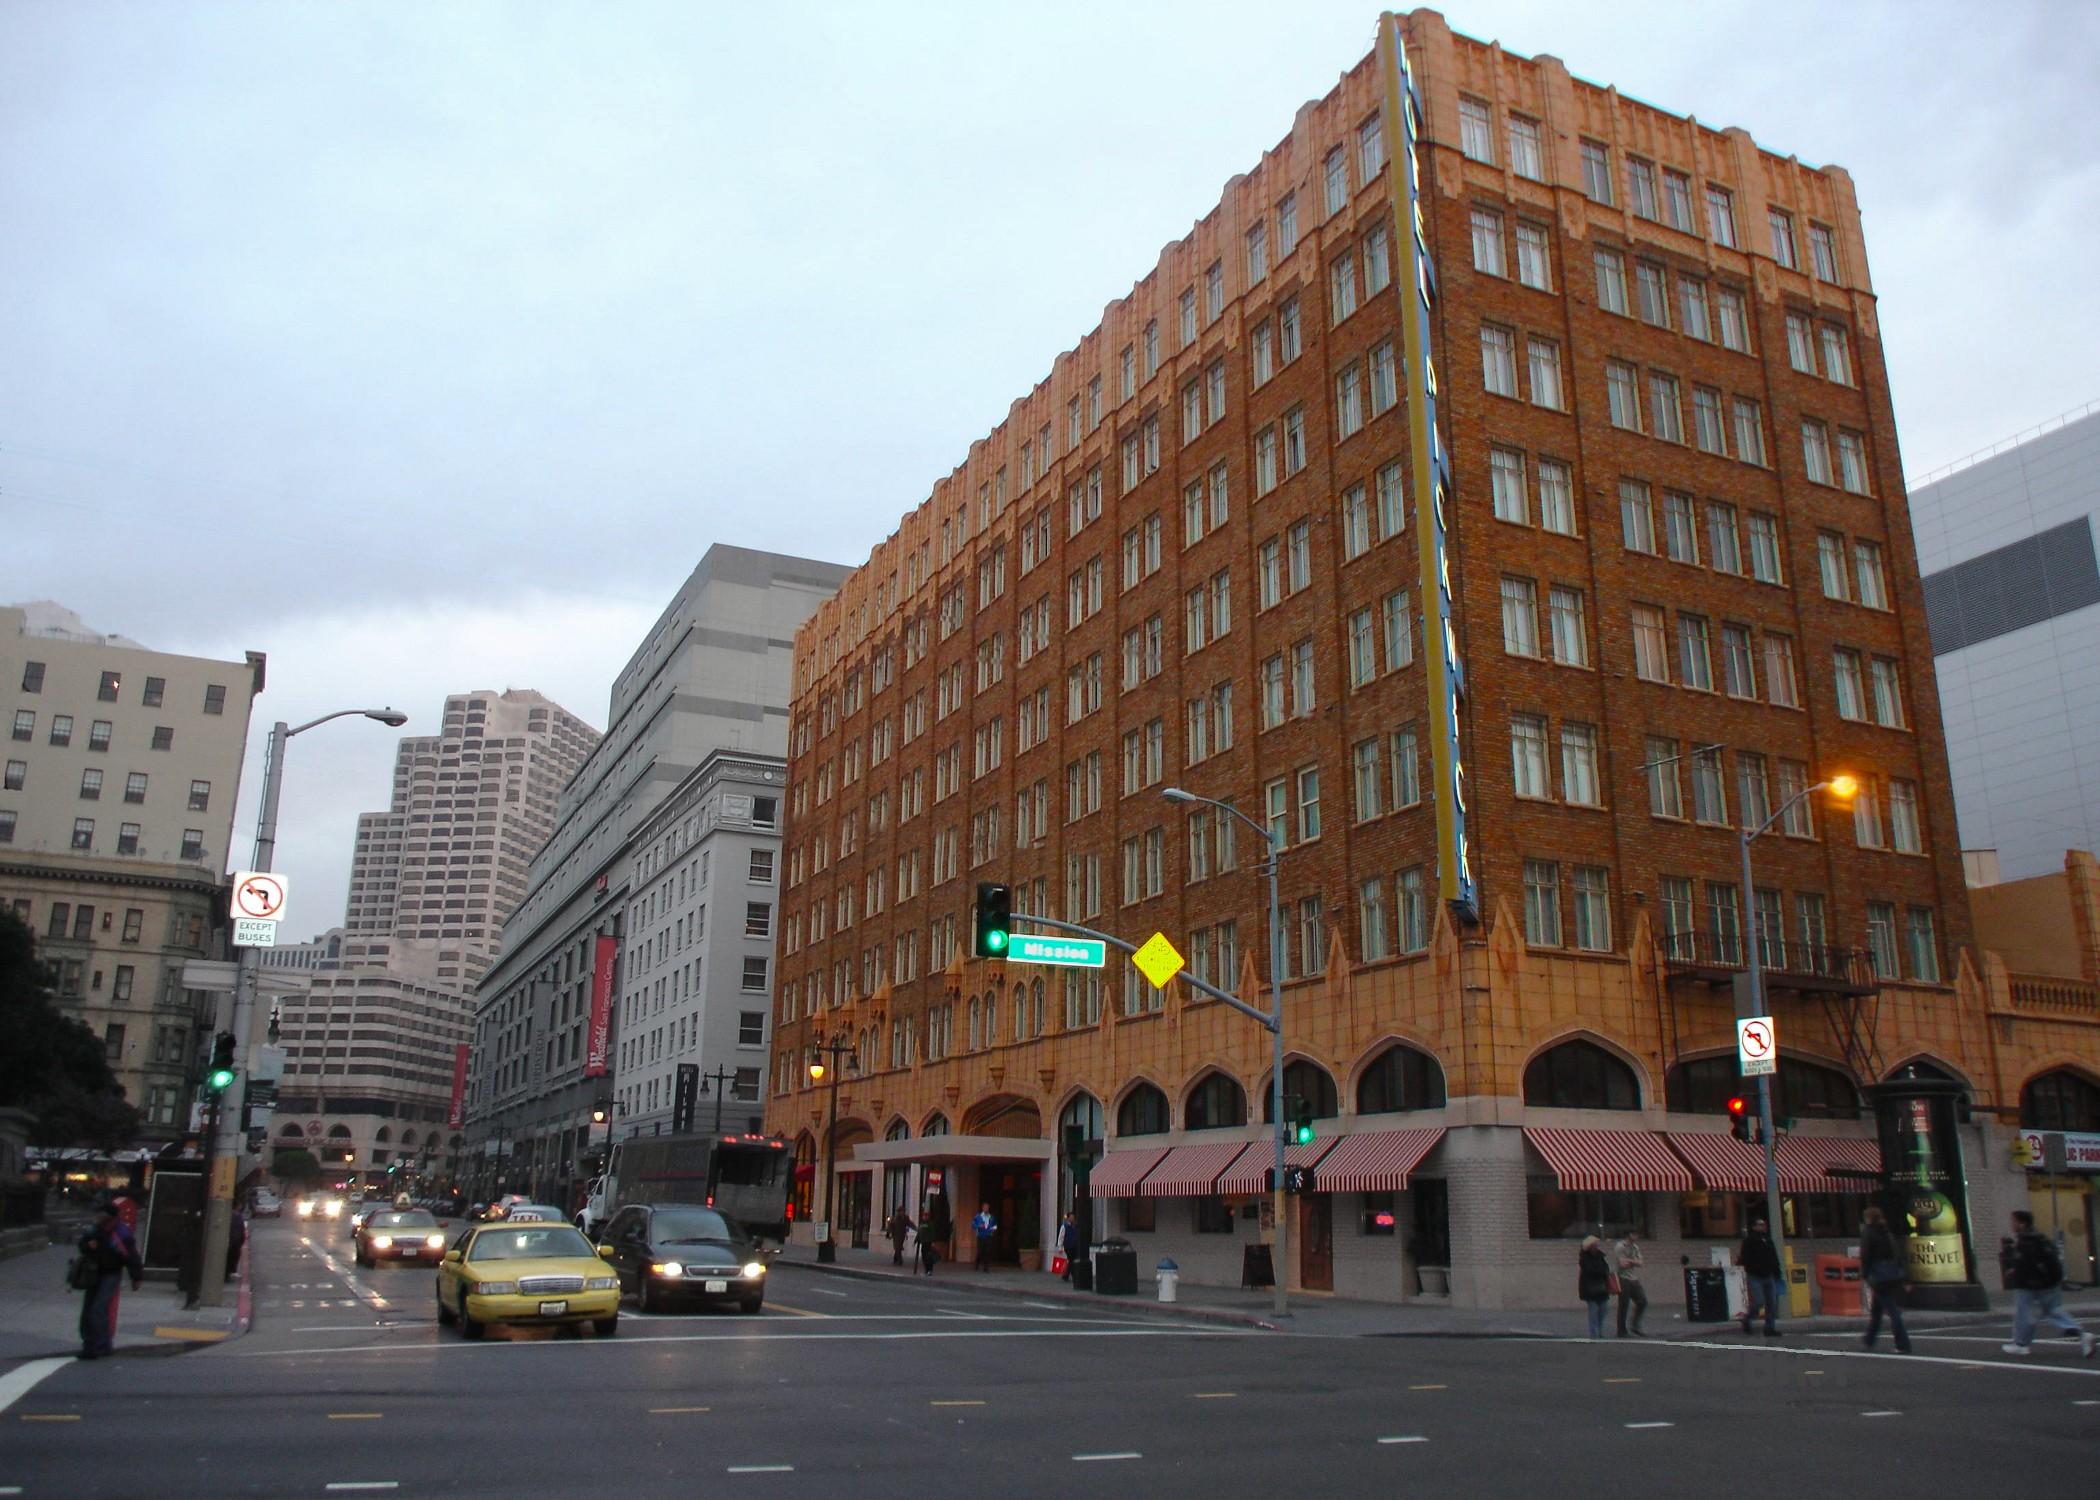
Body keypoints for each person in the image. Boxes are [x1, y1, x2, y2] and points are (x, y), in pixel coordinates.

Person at [2004, 1209, 2097, 1358]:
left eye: (2014, 1221)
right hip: (2050, 1283)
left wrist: (2015, 1272)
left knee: (2024, 1314)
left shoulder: (2025, 1241)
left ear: (2022, 1224)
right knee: (2053, 1311)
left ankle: (2021, 1344)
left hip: (2030, 1285)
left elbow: (2027, 1263)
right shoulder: (2040, 1238)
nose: (2012, 1225)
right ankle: (2082, 1335)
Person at [76, 1198, 143, 1360]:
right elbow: (82, 1245)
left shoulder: (120, 1233)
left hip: (110, 1273)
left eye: (101, 1213)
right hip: (95, 1272)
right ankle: (90, 1343)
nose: (97, 1216)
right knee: (90, 1308)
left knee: (98, 1308)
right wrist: (87, 1246)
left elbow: (131, 1256)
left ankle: (101, 1344)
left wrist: (136, 1276)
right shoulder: (95, 1229)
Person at [1859, 1205, 1911, 1353]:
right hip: (1892, 1274)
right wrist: (1904, 1277)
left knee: (1892, 1309)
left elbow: (1866, 1255)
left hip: (1878, 1275)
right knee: (1877, 1308)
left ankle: (1903, 1343)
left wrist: (1865, 1274)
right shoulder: (1887, 1232)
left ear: (1869, 1218)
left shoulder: (1868, 1233)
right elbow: (1897, 1253)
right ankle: (1869, 1339)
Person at [1737, 1216, 1783, 1336]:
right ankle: (1747, 1319)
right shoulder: (1749, 1241)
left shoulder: (1768, 1240)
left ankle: (1769, 1328)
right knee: (1759, 1302)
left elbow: (1774, 1257)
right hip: (1755, 1276)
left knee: (1772, 1303)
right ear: (1754, 1227)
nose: (1763, 1226)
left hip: (1769, 1275)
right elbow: (1744, 1257)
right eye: (1760, 1224)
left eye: (1763, 1224)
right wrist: (1748, 1267)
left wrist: (1777, 1272)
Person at [1612, 1228, 1647, 1337]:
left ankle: (1635, 1325)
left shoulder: (1635, 1247)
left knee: (1642, 1301)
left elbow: (1641, 1263)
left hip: (1633, 1278)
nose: (1636, 1237)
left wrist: (1630, 1261)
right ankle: (1621, 1330)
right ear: (1629, 1235)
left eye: (1637, 1234)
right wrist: (1634, 1261)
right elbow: (1622, 1264)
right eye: (1634, 1234)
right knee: (1623, 1305)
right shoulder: (1620, 1246)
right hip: (1622, 1278)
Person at [1578, 1235, 1613, 1338]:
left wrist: (1604, 1272)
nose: (1597, 1246)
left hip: (1601, 1286)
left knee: (1604, 1309)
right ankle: (1594, 1332)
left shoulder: (1600, 1256)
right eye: (1594, 1245)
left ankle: (1599, 1329)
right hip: (1589, 1287)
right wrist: (1601, 1272)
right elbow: (1589, 1270)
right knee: (1593, 1311)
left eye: (1597, 1244)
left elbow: (1605, 1267)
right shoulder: (1584, 1257)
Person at [971, 1203, 997, 1272]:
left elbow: (995, 1225)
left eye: (987, 1208)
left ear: (988, 1208)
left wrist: (993, 1229)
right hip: (980, 1236)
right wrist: (979, 1226)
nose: (986, 1209)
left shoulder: (991, 1217)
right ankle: (977, 1263)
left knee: (987, 1251)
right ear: (982, 1208)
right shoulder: (978, 1216)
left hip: (989, 1236)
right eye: (985, 1207)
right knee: (980, 1251)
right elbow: (973, 1224)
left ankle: (986, 1268)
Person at [1057, 1211, 1080, 1282]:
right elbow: (1061, 1237)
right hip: (1068, 1246)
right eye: (1071, 1217)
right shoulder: (1065, 1226)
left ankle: (1067, 1275)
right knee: (1071, 1260)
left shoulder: (1075, 1226)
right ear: (1068, 1218)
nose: (1072, 1219)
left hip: (1075, 1246)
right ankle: (1071, 1275)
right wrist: (1060, 1247)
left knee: (1072, 1261)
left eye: (1073, 1217)